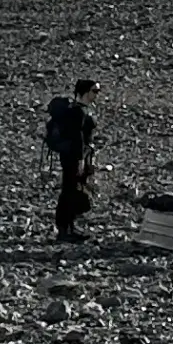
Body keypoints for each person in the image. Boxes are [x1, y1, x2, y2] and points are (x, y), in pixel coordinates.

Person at [44, 76, 102, 241]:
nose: (97, 94)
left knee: (71, 189)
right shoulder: (78, 112)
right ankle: (65, 230)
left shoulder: (78, 110)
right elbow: (77, 138)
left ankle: (67, 228)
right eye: (94, 91)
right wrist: (82, 160)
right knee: (70, 189)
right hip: (75, 157)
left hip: (73, 156)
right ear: (84, 92)